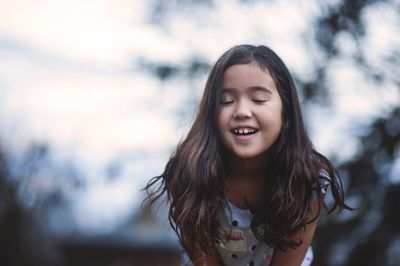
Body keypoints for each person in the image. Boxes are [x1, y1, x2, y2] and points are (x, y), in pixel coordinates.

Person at [144, 44, 350, 266]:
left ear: (286, 112)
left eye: (259, 99)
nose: (241, 111)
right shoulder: (190, 176)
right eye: (226, 101)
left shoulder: (306, 182)